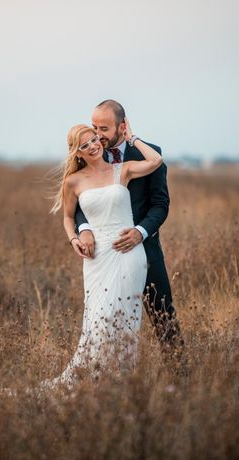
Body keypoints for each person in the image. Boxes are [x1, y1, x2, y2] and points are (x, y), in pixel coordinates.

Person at [0, 120, 163, 396]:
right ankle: (92, 384)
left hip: (128, 254)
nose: (93, 146)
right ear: (77, 152)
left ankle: (119, 388)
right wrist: (75, 238)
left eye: (95, 139)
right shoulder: (73, 181)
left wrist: (131, 138)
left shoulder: (121, 171)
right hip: (97, 258)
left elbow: (155, 160)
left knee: (126, 322)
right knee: (97, 320)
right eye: (85, 144)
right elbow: (66, 216)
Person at [75, 100, 187, 376]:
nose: (97, 135)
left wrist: (140, 232)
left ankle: (181, 380)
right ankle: (105, 379)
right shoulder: (89, 153)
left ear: (122, 127)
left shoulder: (148, 154)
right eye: (94, 127)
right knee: (103, 319)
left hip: (144, 251)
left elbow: (160, 204)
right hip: (104, 254)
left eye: (104, 128)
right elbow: (78, 205)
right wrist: (84, 229)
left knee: (163, 316)